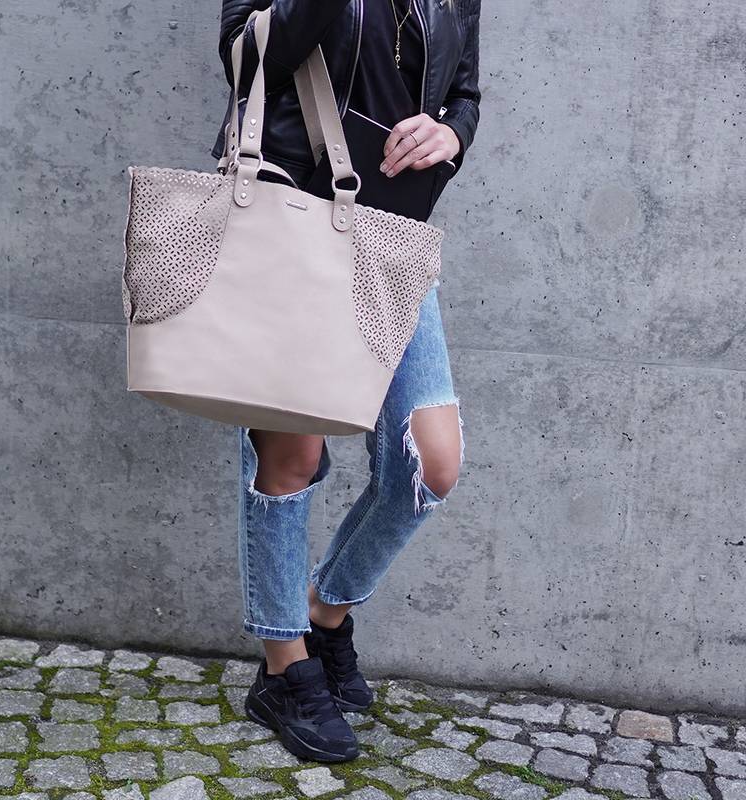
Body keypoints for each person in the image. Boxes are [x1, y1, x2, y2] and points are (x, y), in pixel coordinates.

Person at [210, 0, 482, 764]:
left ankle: (325, 615)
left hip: (392, 235)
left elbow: (465, 89)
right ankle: (282, 668)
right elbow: (244, 57)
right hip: (290, 214)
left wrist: (453, 132)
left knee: (429, 464)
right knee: (290, 457)